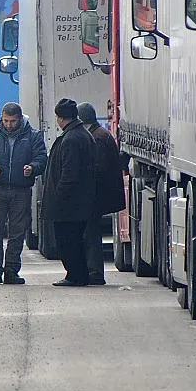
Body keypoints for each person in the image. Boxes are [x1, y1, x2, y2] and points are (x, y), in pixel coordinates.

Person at [0, 102, 47, 284]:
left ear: (20, 118)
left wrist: (32, 168)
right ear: (2, 118)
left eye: (13, 121)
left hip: (21, 190)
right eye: (6, 121)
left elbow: (41, 158)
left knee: (17, 233)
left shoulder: (32, 136)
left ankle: (11, 271)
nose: (9, 125)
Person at [41, 98, 96, 287]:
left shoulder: (72, 138)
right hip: (78, 202)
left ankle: (75, 275)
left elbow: (69, 173)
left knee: (68, 240)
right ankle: (78, 274)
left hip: (70, 204)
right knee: (74, 239)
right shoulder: (81, 134)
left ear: (60, 118)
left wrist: (58, 197)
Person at [78, 102, 127, 285]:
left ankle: (95, 273)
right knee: (91, 233)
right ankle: (93, 271)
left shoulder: (96, 138)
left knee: (90, 235)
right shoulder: (100, 134)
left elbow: (97, 169)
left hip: (95, 196)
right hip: (99, 195)